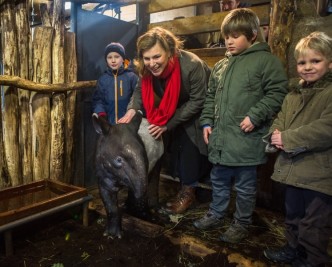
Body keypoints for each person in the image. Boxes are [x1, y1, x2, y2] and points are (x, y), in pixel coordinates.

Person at [192, 8, 288, 244]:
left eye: (235, 36)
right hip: (222, 140)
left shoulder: (266, 62)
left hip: (247, 140)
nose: (229, 41)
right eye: (227, 36)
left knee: (245, 187)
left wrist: (255, 115)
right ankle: (217, 213)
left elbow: (278, 92)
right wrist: (206, 121)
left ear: (253, 35)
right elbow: (211, 96)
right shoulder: (222, 66)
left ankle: (242, 223)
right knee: (219, 180)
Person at [118, 26, 211, 214]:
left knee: (188, 142)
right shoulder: (146, 68)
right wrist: (133, 109)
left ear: (170, 51)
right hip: (168, 107)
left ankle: (188, 191)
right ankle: (149, 195)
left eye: (157, 57)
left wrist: (167, 125)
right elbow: (138, 91)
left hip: (196, 107)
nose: (152, 63)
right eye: (147, 58)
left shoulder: (192, 64)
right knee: (155, 140)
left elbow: (198, 100)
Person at [263, 31, 332, 267]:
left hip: (319, 173)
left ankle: (313, 260)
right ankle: (292, 249)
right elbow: (280, 119)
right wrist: (274, 135)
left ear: (330, 62)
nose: (307, 67)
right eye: (302, 62)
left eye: (316, 61)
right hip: (293, 169)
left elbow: (326, 129)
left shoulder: (329, 93)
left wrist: (287, 138)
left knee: (313, 224)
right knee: (292, 216)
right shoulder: (293, 94)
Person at [92, 42, 138, 125]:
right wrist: (100, 112)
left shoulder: (131, 77)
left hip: (128, 125)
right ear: (106, 60)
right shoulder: (103, 79)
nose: (113, 60)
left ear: (123, 59)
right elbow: (98, 100)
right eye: (109, 57)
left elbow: (137, 98)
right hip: (110, 124)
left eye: (117, 57)